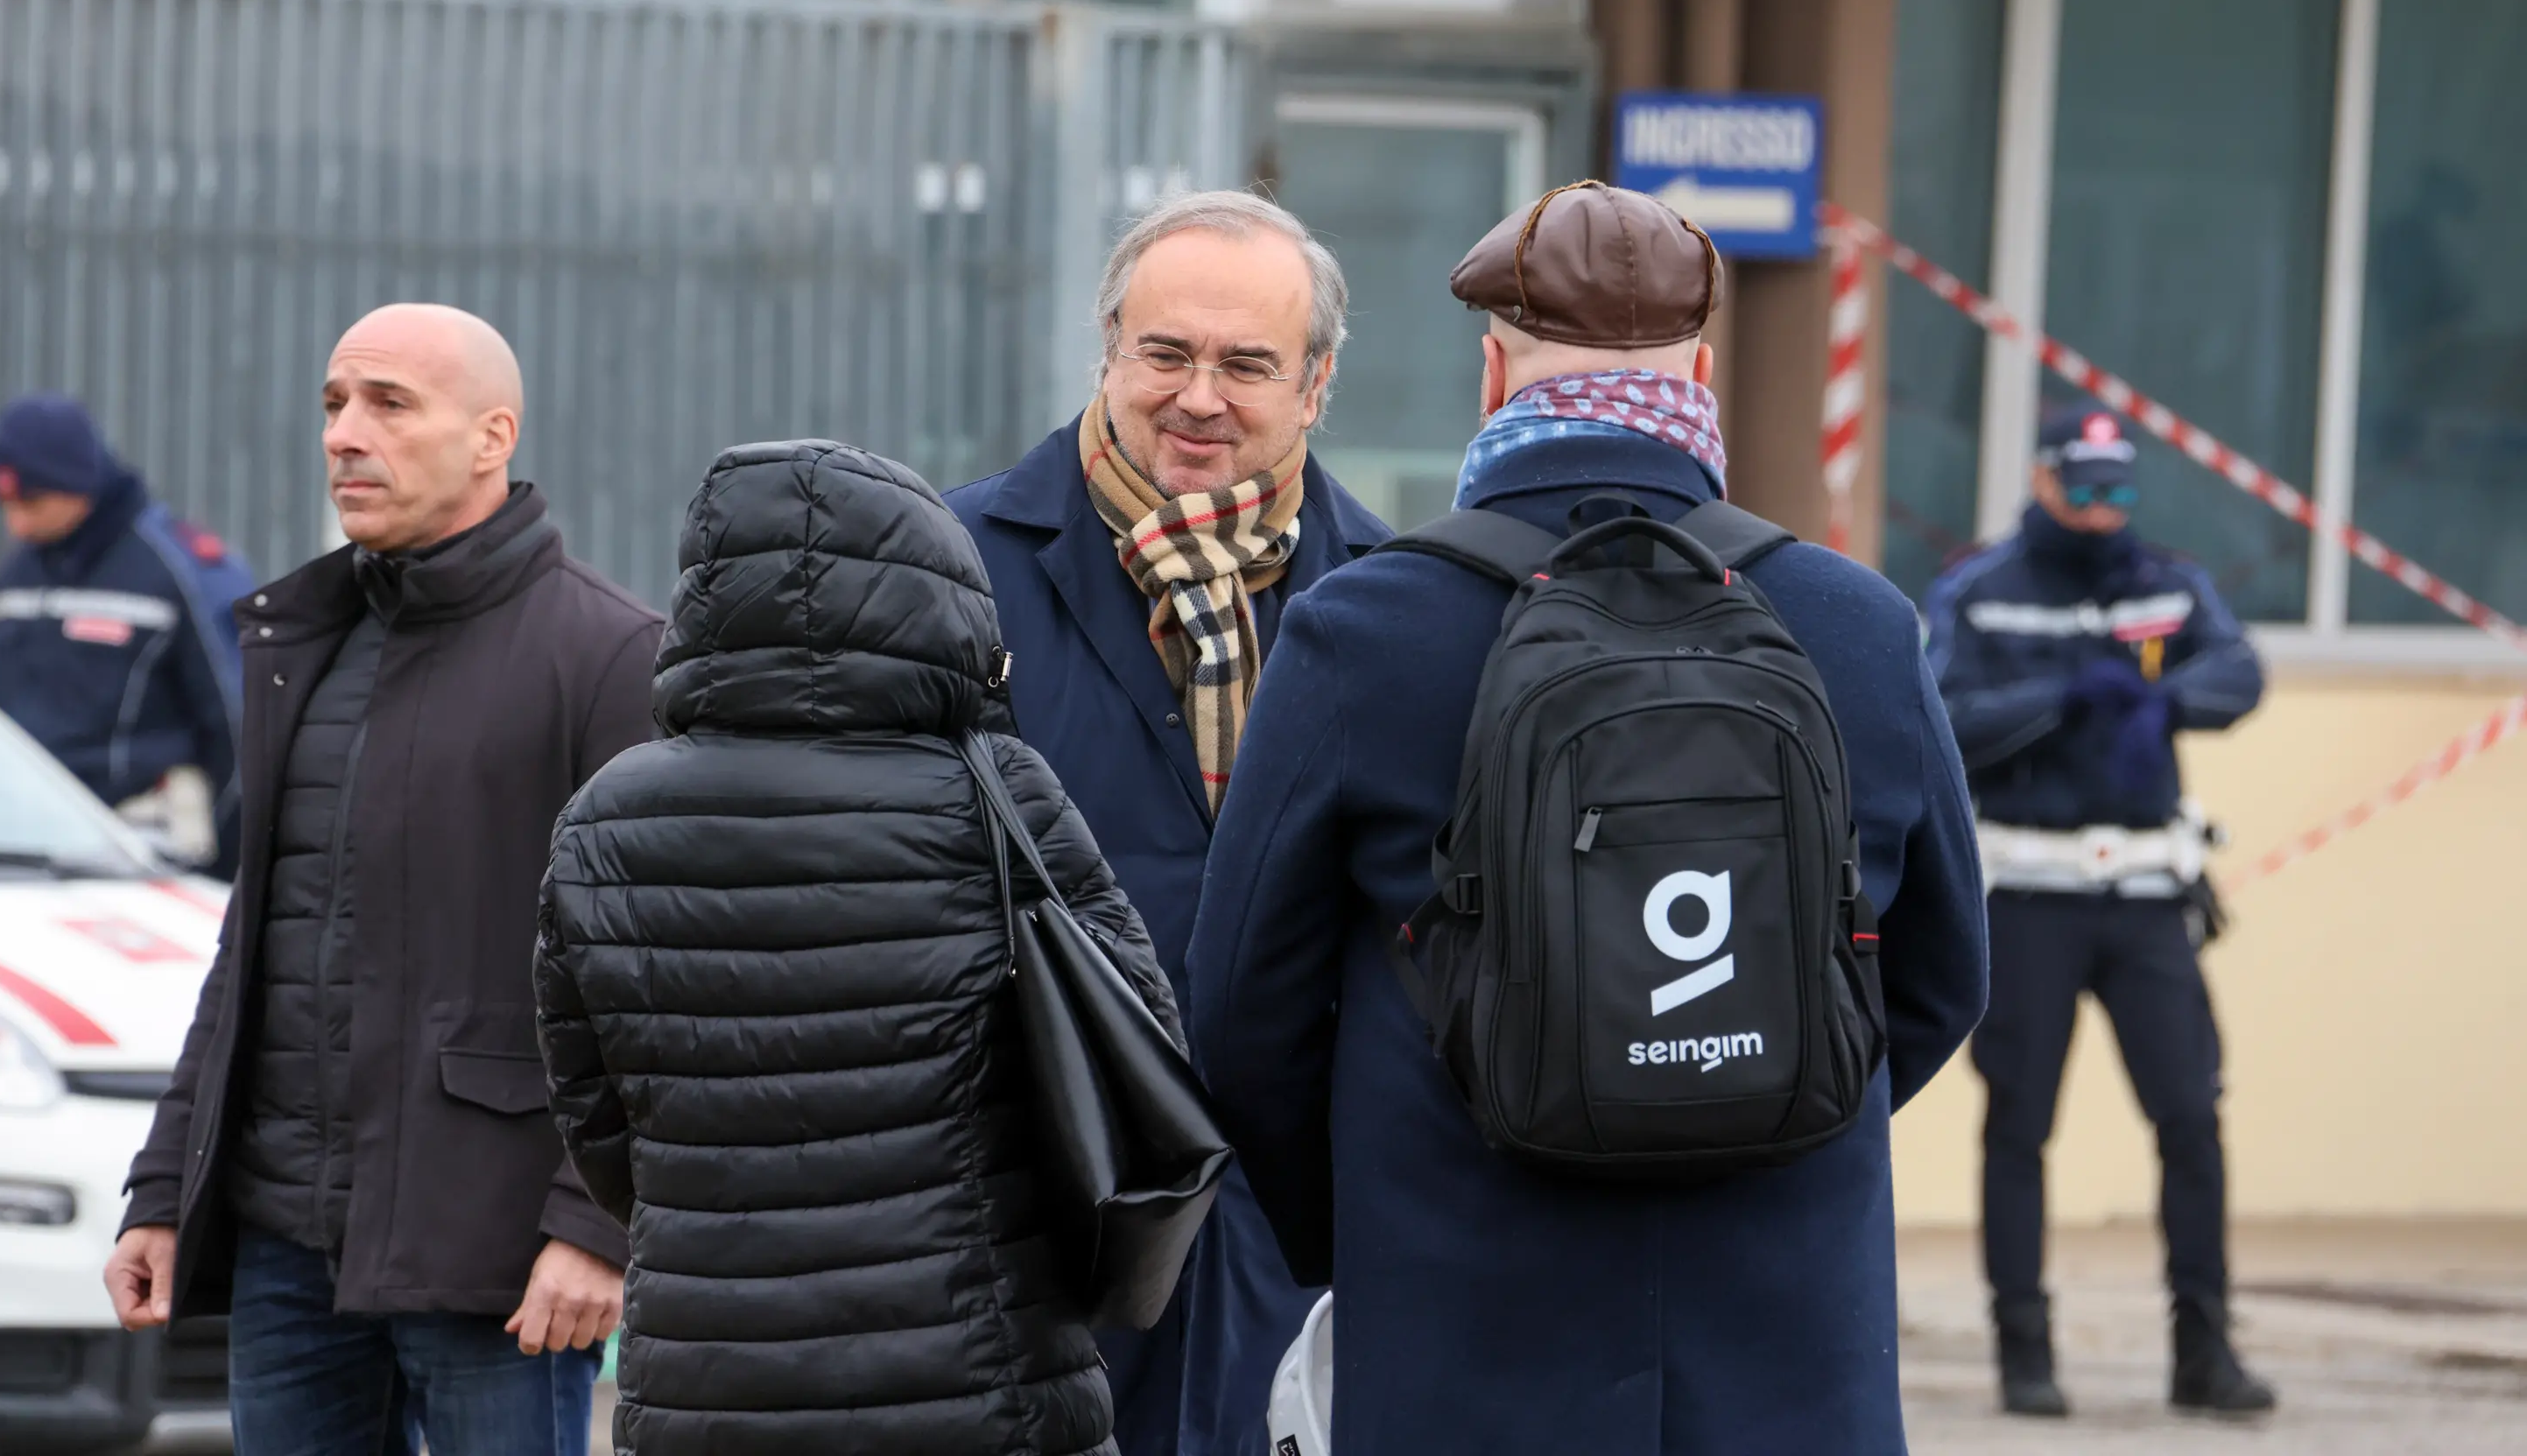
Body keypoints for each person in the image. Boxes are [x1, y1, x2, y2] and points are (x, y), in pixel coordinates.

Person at [1186, 182, 1989, 1453]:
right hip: (1790, 1357)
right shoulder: (1860, 626)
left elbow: (1241, 1012)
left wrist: (1365, 1224)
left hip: (1465, 1337)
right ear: (1704, 376)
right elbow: (1944, 978)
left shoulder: (1364, 631)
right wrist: (1747, 1097)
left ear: (1496, 372)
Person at [537, 440, 1183, 1456]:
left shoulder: (605, 818)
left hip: (710, 1384)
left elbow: (596, 1113)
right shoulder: (997, 793)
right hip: (980, 1375)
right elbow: (1136, 1024)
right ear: (940, 595)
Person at [103, 304, 665, 1456]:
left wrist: (595, 1221)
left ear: (491, 436)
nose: (345, 435)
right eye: (332, 404)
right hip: (284, 1250)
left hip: (492, 1258)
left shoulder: (608, 657)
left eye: (389, 405)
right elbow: (256, 944)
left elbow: (666, 982)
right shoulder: (307, 645)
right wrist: (165, 1184)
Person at [945, 190, 1390, 1456]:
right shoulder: (951, 569)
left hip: (1282, 1215)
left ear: (1314, 388)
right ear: (1109, 352)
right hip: (1024, 1199)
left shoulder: (1396, 601)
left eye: (1246, 363)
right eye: (1166, 353)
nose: (1199, 395)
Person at [1922, 404, 2276, 1419]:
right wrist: (2062, 699)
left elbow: (2239, 670)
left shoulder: (2165, 581)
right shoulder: (1981, 590)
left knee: (2191, 1118)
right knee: (2020, 1126)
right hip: (2032, 895)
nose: (2102, 506)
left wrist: (2162, 701)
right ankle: (2024, 1352)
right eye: (2083, 486)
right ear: (2042, 481)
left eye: (2118, 486)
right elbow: (1940, 713)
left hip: (2146, 900)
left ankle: (2203, 1352)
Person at [0, 393, 252, 867]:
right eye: (3, 504)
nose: (16, 522)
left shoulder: (180, 571)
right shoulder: (15, 576)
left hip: (148, 849)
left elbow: (240, 724)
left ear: (79, 483)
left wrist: (225, 866)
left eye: (31, 501)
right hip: (28, 847)